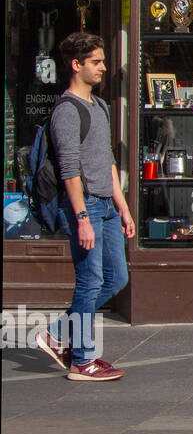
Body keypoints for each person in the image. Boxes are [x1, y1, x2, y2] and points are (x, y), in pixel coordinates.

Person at [34, 33, 134, 381]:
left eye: (103, 60)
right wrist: (81, 219)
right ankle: (81, 360)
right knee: (90, 281)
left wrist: (123, 207)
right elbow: (69, 169)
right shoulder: (66, 111)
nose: (103, 67)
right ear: (76, 65)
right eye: (96, 62)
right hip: (85, 206)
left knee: (117, 278)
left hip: (106, 205)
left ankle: (56, 334)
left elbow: (107, 159)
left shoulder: (101, 106)